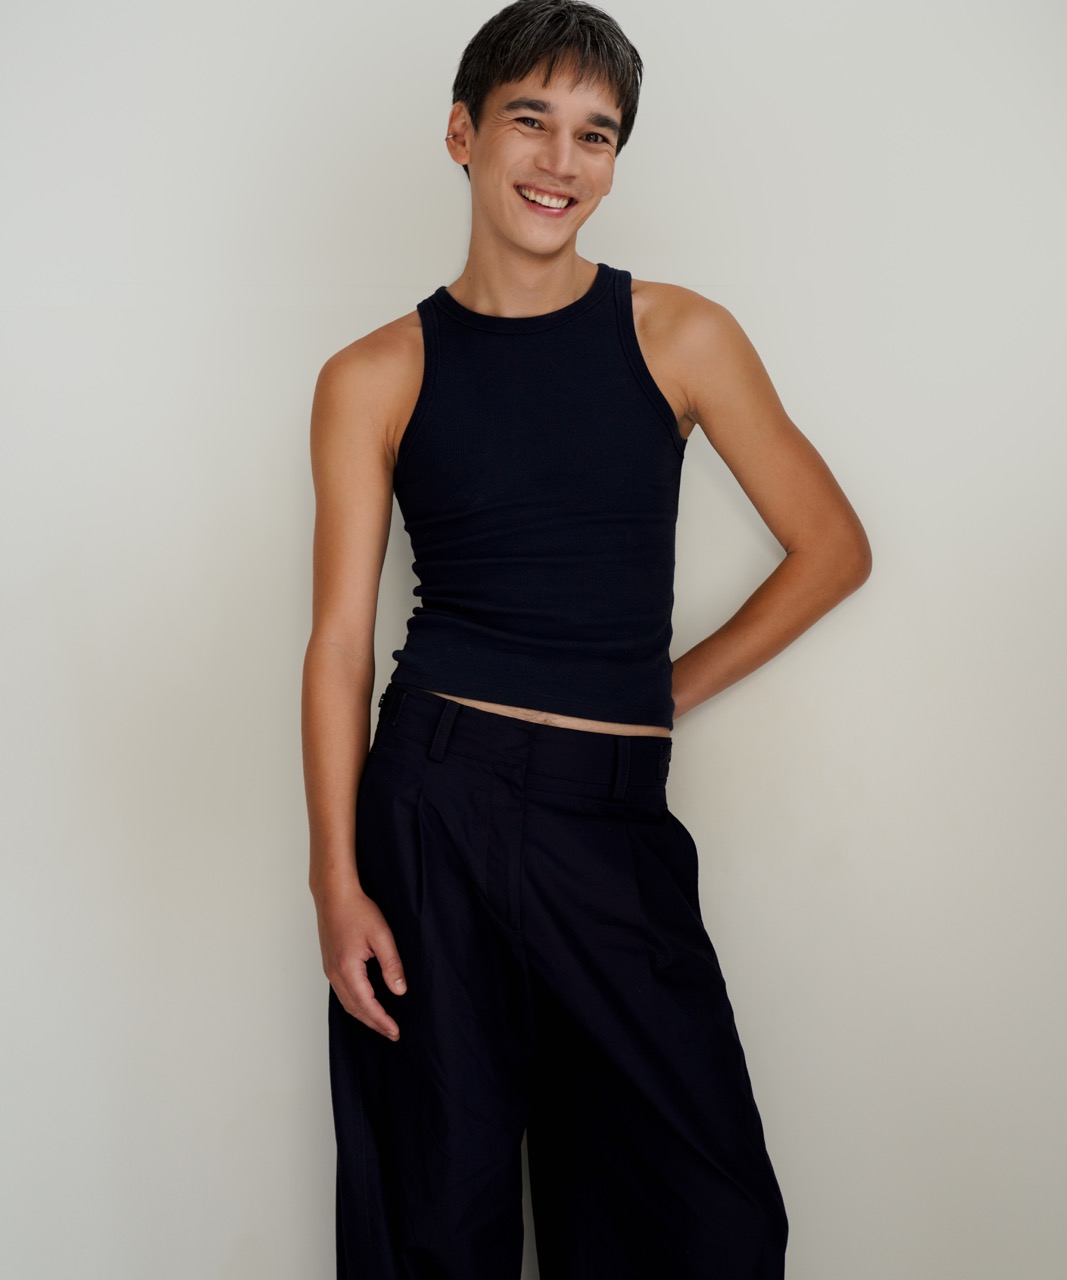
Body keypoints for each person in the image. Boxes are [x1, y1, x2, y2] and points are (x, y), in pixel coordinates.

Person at [301, 1, 871, 1276]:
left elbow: (831, 547)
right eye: (529, 121)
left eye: (595, 134)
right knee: (437, 1216)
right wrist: (334, 881)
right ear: (461, 133)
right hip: (434, 811)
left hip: (612, 823)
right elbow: (339, 643)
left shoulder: (677, 335)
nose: (560, 161)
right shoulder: (373, 373)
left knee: (705, 1220)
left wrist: (656, 692)